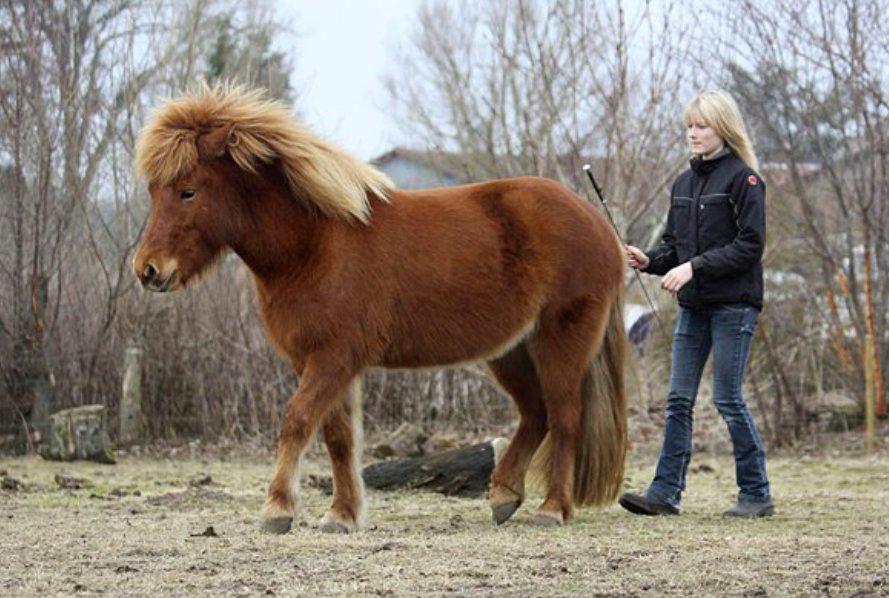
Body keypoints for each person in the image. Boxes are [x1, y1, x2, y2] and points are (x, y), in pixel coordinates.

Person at [620, 90, 774, 518]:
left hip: (734, 306)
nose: (693, 133)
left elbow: (750, 246)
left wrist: (694, 268)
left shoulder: (745, 181)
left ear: (722, 128)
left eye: (701, 125)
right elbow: (675, 246)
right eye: (689, 125)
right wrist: (650, 260)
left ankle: (756, 494)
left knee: (727, 399)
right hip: (695, 307)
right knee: (678, 400)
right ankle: (664, 494)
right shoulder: (684, 184)